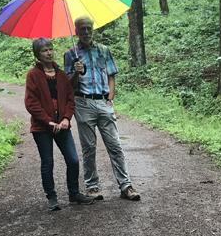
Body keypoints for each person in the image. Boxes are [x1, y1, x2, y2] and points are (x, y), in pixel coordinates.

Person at [64, 16, 140, 201]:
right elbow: (67, 85)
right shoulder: (71, 54)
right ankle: (92, 187)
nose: (86, 32)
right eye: (82, 29)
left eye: (89, 28)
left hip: (103, 102)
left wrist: (110, 98)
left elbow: (111, 75)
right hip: (83, 103)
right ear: (76, 31)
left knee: (115, 146)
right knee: (89, 148)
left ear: (93, 29)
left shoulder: (104, 50)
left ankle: (126, 186)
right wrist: (76, 72)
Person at [25, 39, 95, 210]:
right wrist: (47, 121)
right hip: (42, 128)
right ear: (37, 54)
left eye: (50, 49)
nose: (49, 53)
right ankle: (52, 197)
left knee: (73, 160)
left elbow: (70, 98)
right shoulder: (33, 75)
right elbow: (31, 103)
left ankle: (74, 193)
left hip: (62, 125)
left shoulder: (61, 74)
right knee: (47, 162)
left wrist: (66, 119)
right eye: (44, 50)